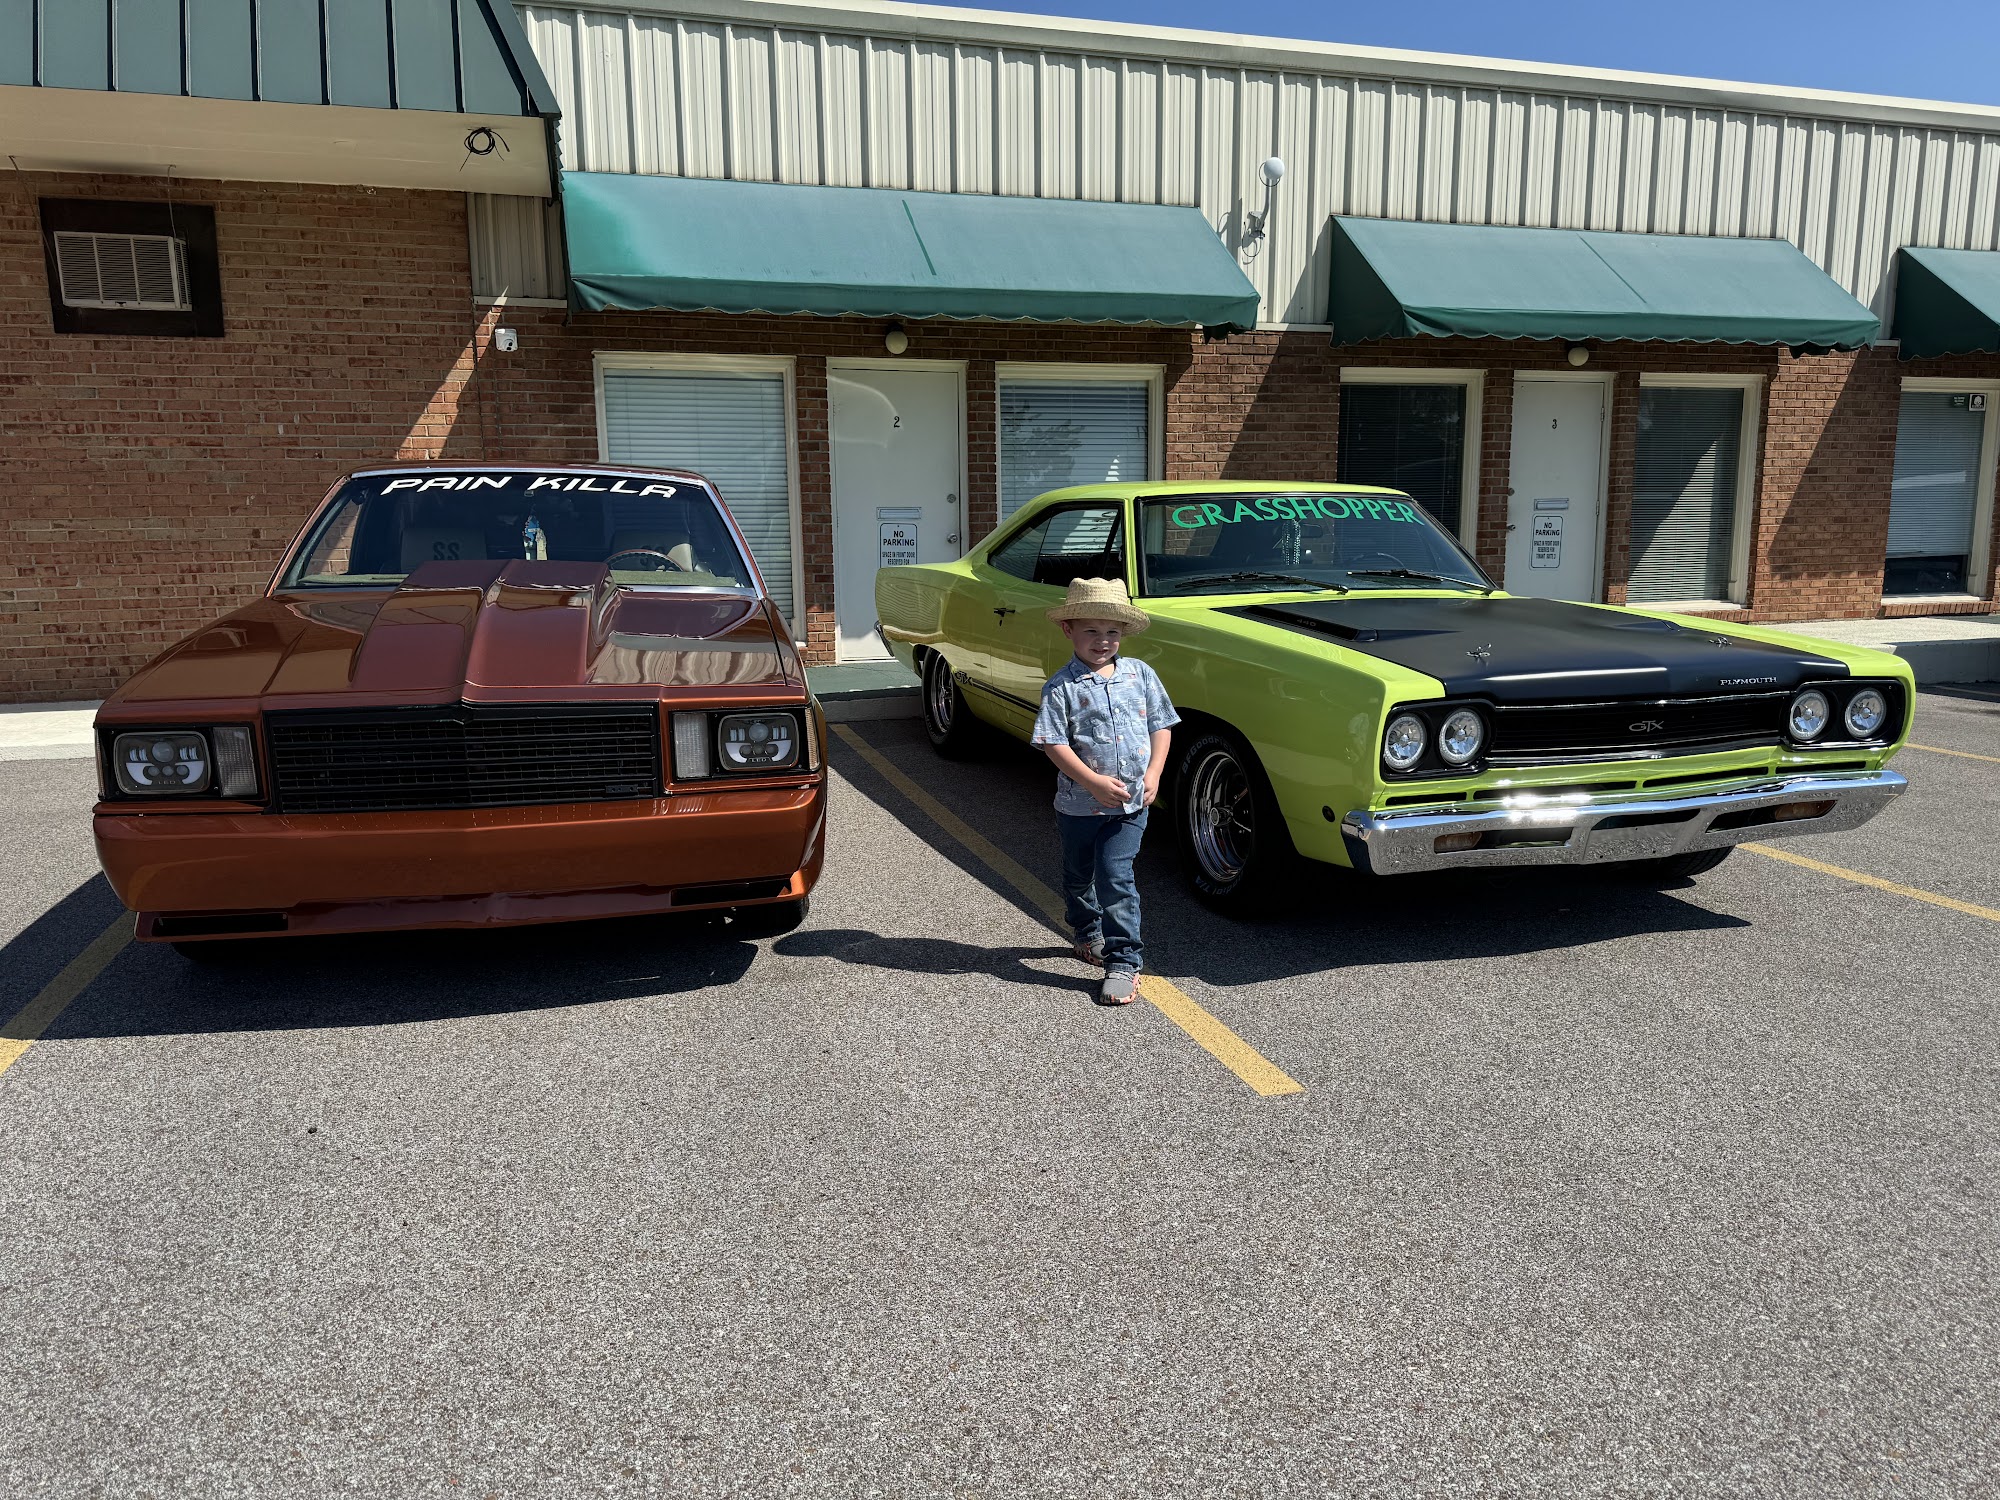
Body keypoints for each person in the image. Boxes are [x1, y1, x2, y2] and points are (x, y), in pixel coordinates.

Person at [1030, 577, 1180, 1006]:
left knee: (1116, 877)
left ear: (1123, 634)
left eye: (1112, 631)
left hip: (1131, 805)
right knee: (1079, 875)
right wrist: (1092, 781)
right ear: (1069, 630)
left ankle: (1124, 962)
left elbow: (1161, 725)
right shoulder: (1061, 687)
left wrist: (1154, 773)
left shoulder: (1140, 674)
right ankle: (1086, 933)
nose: (1102, 640)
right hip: (1078, 806)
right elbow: (1053, 744)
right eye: (1092, 630)